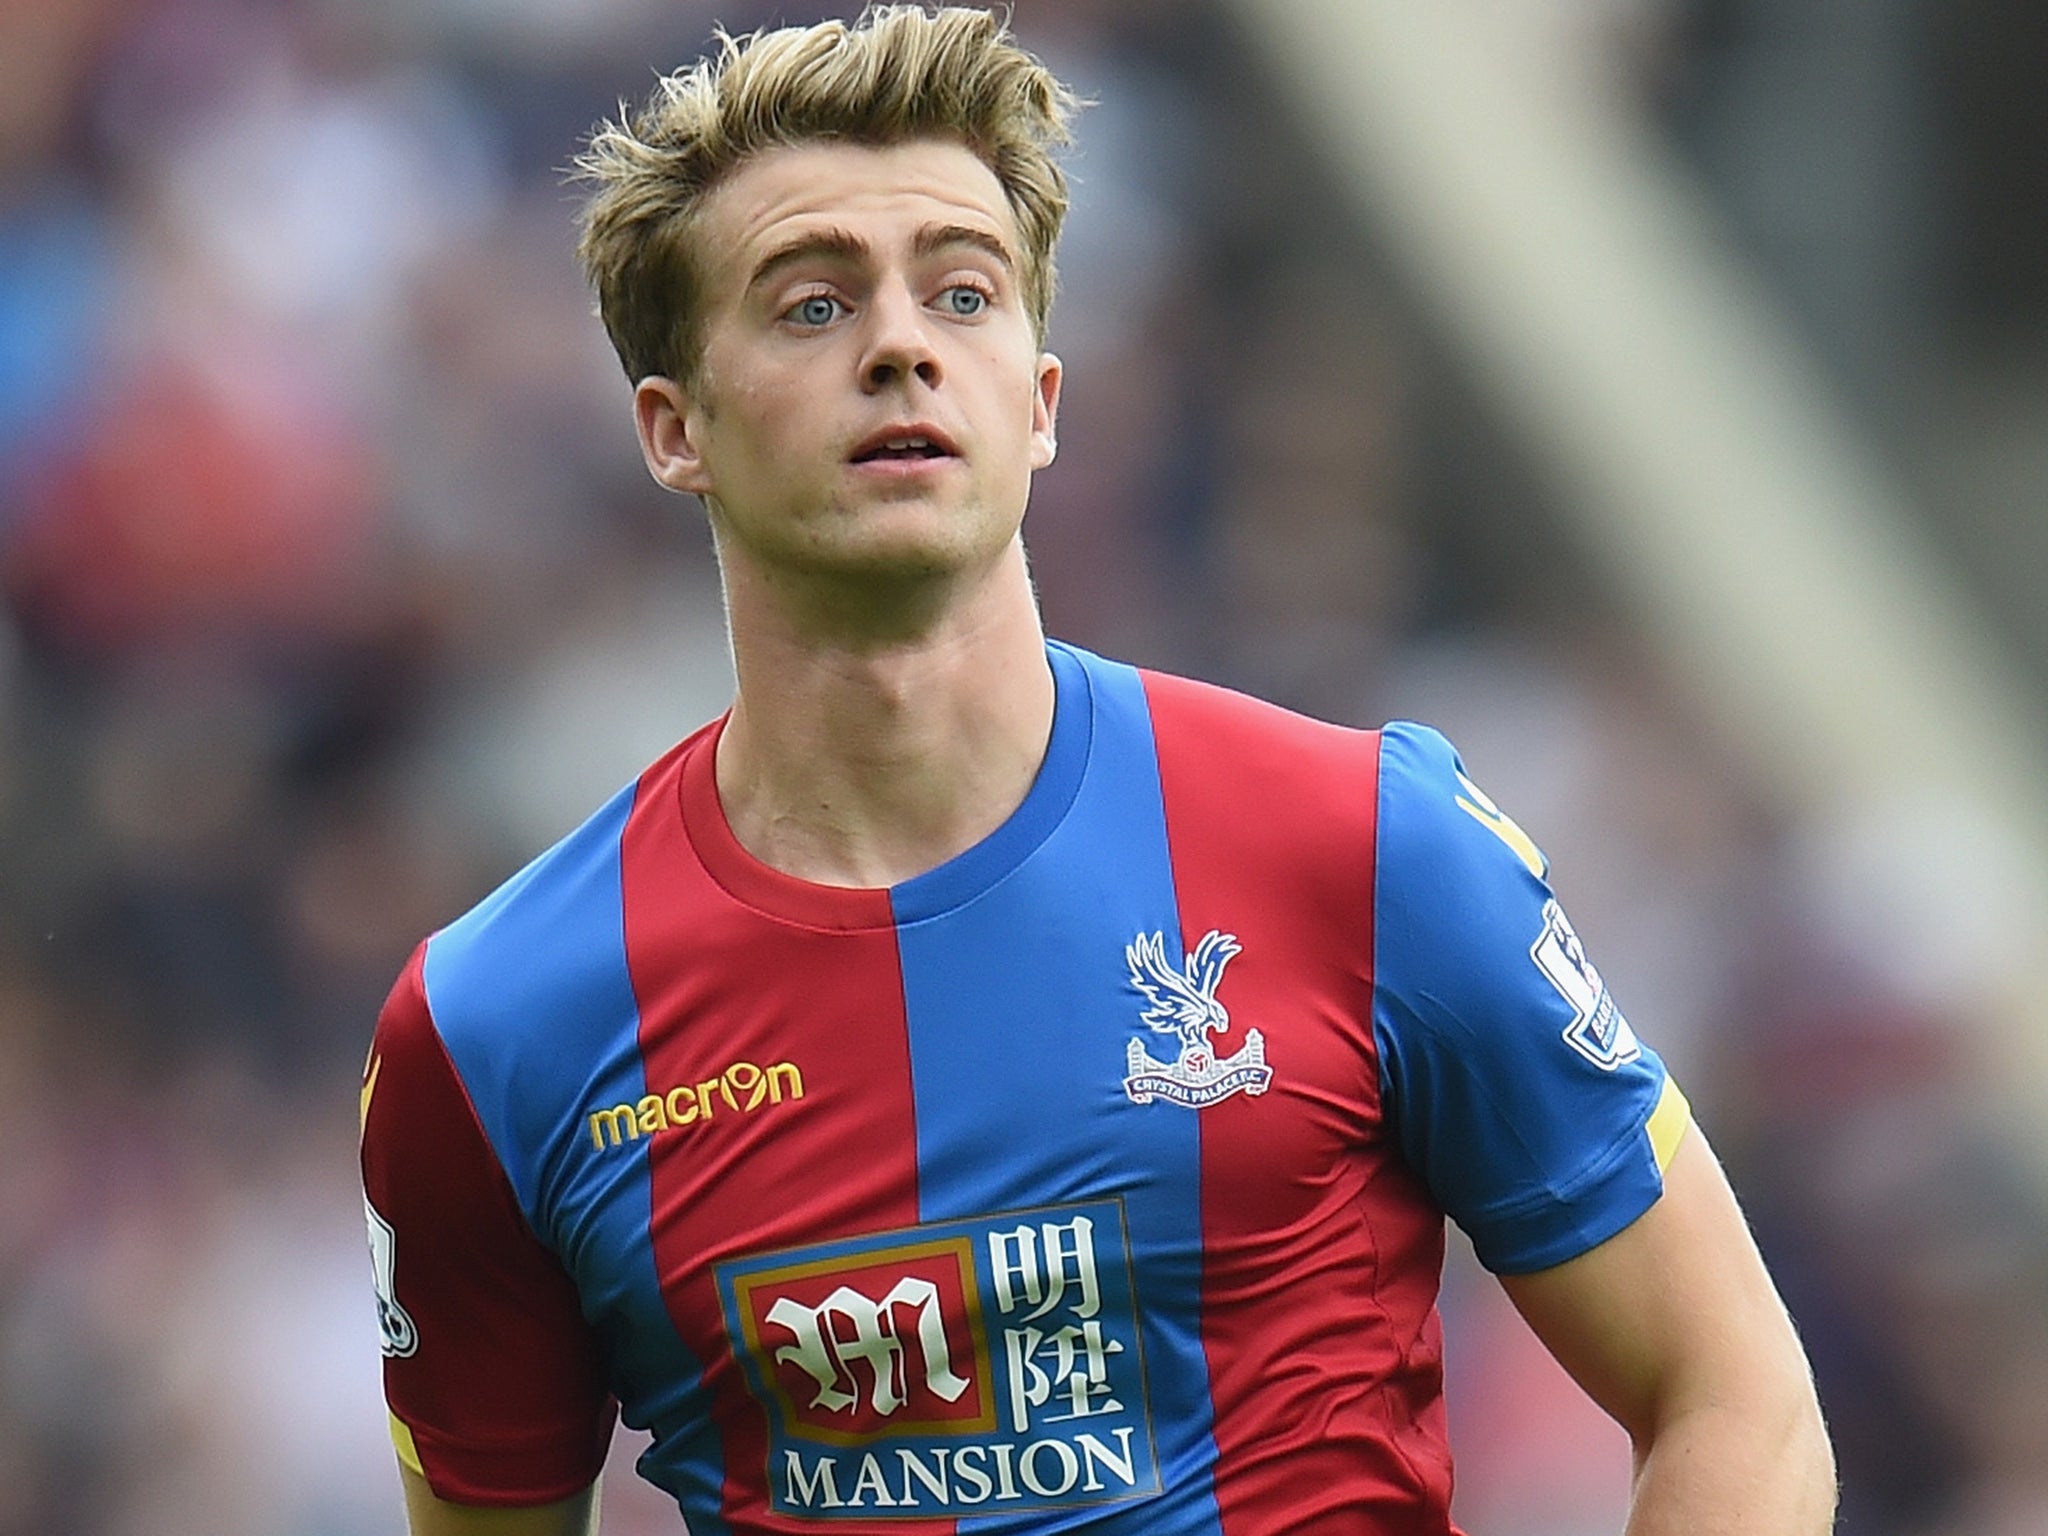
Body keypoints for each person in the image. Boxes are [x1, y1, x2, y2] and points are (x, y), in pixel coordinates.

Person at [358, 7, 1836, 1533]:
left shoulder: (1371, 847)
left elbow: (1734, 1394)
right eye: (812, 305)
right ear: (675, 430)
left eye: (965, 291)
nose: (902, 344)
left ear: (1042, 401)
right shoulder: (492, 1033)